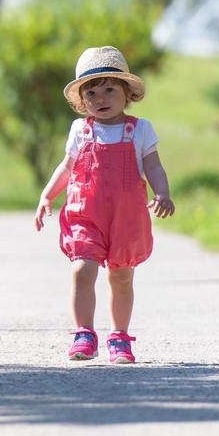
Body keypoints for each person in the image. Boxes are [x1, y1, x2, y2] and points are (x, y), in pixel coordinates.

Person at [33, 46, 175, 364]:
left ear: (127, 93)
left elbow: (153, 166)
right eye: (92, 93)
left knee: (121, 276)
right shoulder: (81, 131)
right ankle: (84, 333)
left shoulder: (140, 130)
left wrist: (163, 192)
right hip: (86, 213)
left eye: (110, 89)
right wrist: (47, 195)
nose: (101, 98)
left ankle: (119, 337)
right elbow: (67, 167)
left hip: (126, 217)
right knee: (82, 269)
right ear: (83, 101)